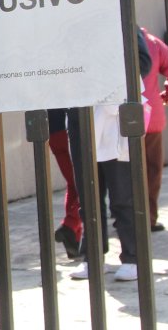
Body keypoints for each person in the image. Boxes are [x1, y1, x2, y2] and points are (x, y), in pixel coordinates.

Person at [68, 28, 151, 283]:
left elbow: (144, 63)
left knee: (122, 196)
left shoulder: (123, 20)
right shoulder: (72, 26)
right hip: (83, 118)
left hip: (115, 121)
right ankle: (92, 257)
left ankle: (131, 257)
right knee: (89, 197)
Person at [141, 27, 168, 232]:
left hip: (116, 117)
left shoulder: (112, 39)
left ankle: (124, 217)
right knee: (152, 169)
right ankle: (149, 218)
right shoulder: (152, 42)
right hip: (150, 114)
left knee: (122, 171)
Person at [46, 108, 82, 259]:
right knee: (87, 183)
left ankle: (74, 239)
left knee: (74, 184)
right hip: (71, 130)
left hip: (54, 131)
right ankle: (70, 224)